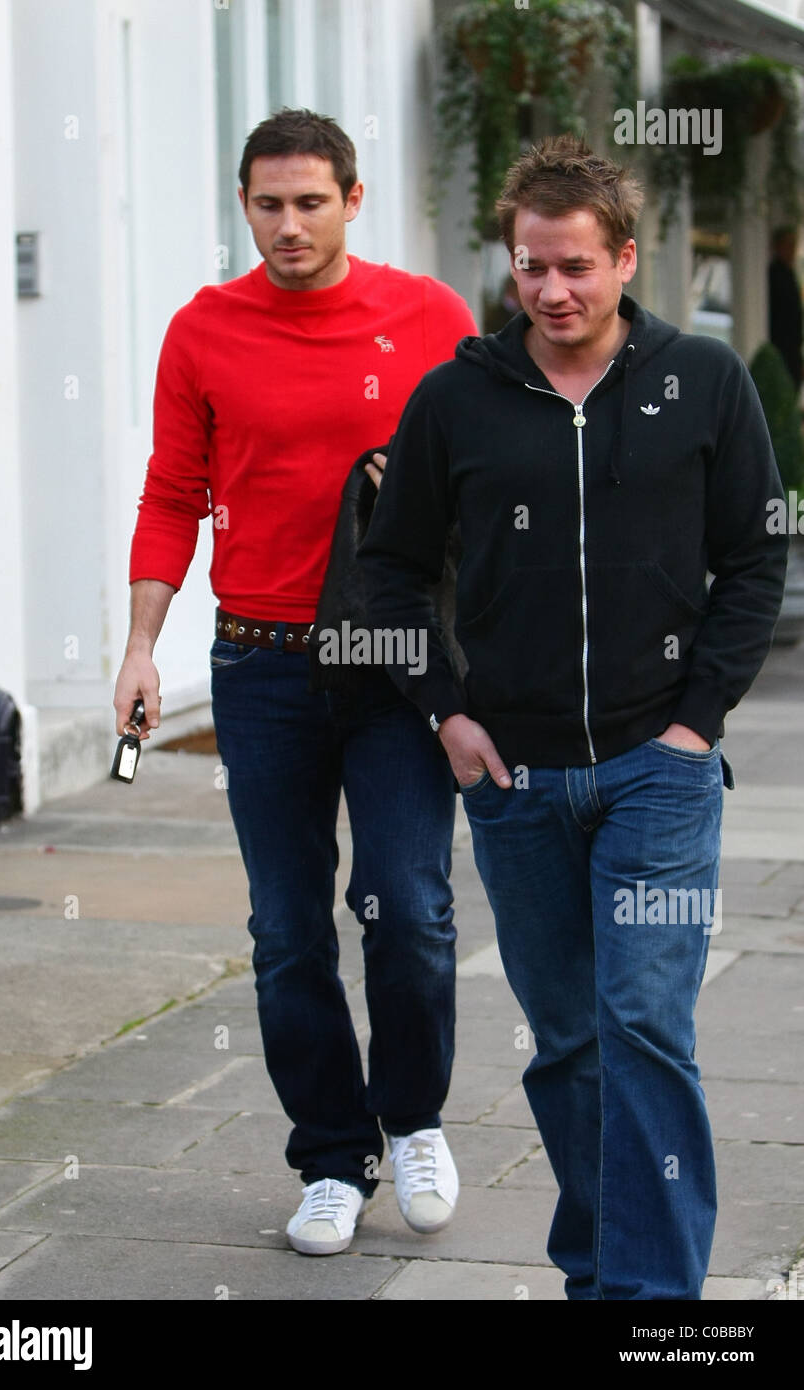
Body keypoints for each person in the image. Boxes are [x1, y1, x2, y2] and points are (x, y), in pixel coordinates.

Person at [359, 134, 788, 1299]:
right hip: (514, 781)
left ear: (625, 260)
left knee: (643, 1023)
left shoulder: (700, 382)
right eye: (531, 267)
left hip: (660, 768)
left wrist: (696, 722)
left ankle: (652, 1303)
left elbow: (754, 557)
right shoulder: (456, 397)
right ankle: (601, 1271)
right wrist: (445, 712)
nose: (551, 291)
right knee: (568, 1044)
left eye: (576, 268)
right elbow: (387, 573)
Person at [113, 108, 477, 1256]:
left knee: (408, 909)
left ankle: (411, 1117)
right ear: (244, 207)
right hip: (261, 664)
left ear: (353, 201)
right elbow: (173, 492)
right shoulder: (203, 329)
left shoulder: (426, 315)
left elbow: (480, 475)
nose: (286, 224)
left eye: (309, 201)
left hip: (393, 666)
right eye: (266, 204)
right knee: (285, 930)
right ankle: (331, 1155)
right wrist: (139, 647)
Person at [768, 225, 803, 392]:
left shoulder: (789, 275)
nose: (791, 250)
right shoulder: (774, 275)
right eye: (787, 245)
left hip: (791, 350)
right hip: (780, 347)